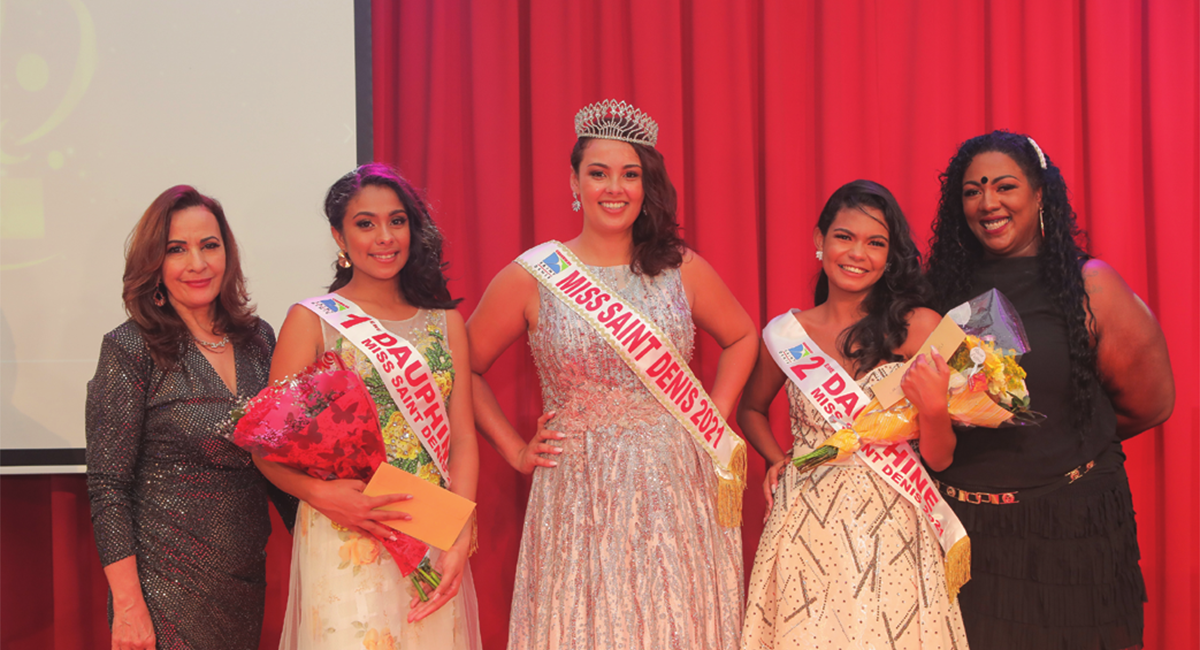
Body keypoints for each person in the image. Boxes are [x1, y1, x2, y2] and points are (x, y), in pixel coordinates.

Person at [468, 99, 757, 650]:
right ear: (574, 182)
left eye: (630, 174)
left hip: (676, 482)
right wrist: (514, 450)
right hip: (580, 490)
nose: (614, 188)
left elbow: (743, 336)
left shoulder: (681, 269)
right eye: (598, 173)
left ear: (646, 186)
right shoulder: (534, 275)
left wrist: (711, 417)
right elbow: (468, 368)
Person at [924, 131, 1174, 650]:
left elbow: (1151, 402)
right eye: (972, 191)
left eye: (1004, 186)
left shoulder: (1092, 286)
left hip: (1072, 534)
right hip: (963, 532)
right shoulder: (935, 292)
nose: (988, 202)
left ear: (1040, 193)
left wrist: (1058, 441)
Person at [256, 164, 481, 649]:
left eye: (396, 221)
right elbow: (265, 447)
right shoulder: (312, 321)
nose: (384, 237)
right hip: (347, 531)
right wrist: (320, 496)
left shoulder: (446, 323)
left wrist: (460, 532)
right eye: (365, 223)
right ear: (339, 235)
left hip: (430, 530)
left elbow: (462, 436)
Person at [738, 179, 970, 649]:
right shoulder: (786, 334)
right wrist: (774, 457)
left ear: (890, 256)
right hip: (805, 525)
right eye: (844, 237)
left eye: (875, 243)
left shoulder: (920, 327)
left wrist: (934, 408)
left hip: (895, 524)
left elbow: (942, 459)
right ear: (819, 241)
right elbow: (750, 409)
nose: (857, 253)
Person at [87, 185, 294, 649]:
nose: (197, 264)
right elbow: (107, 487)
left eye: (209, 245)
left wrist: (341, 532)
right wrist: (128, 606)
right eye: (177, 250)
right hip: (162, 595)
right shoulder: (129, 349)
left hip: (243, 585)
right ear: (155, 265)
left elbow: (279, 468)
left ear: (228, 253)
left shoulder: (259, 340)